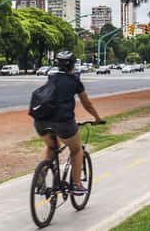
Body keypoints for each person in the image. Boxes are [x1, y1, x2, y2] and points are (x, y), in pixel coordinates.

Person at [34, 51, 104, 196]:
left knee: (52, 147)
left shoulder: (51, 77)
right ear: (73, 65)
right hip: (63, 122)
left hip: (41, 121)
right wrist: (97, 118)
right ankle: (76, 185)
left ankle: (40, 178)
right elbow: (87, 104)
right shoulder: (75, 81)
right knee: (77, 149)